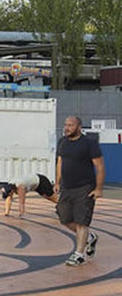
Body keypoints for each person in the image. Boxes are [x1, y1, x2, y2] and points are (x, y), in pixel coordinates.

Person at [55, 114, 104, 267]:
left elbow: (99, 166)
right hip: (66, 187)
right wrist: (57, 182)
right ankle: (90, 238)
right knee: (64, 219)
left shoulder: (89, 143)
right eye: (65, 125)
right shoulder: (62, 142)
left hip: (85, 188)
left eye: (70, 125)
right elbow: (60, 162)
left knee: (82, 221)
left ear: (79, 127)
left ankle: (79, 254)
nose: (67, 128)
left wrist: (98, 188)